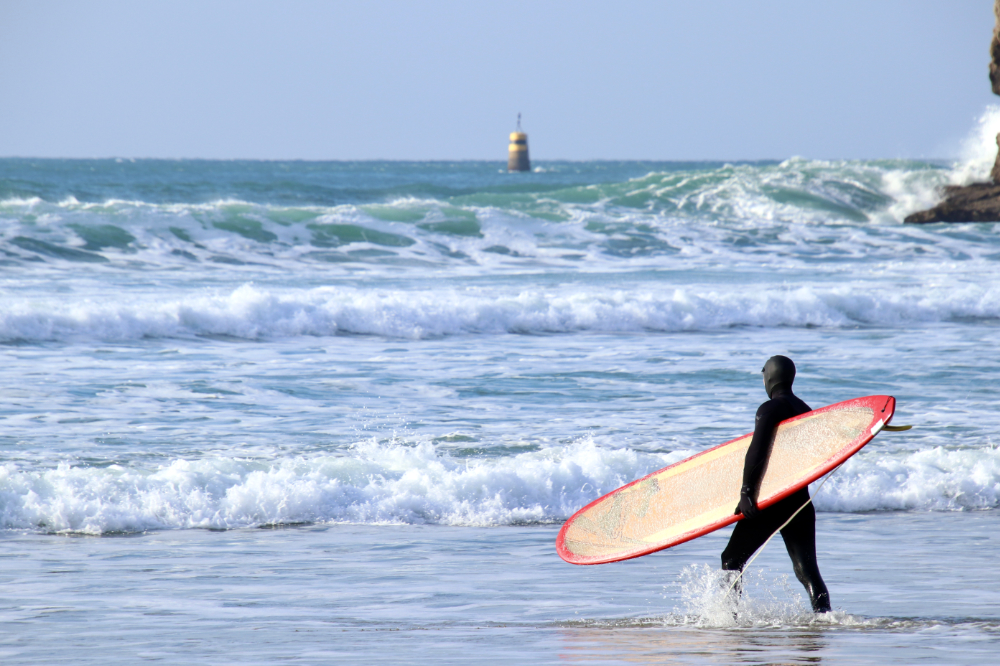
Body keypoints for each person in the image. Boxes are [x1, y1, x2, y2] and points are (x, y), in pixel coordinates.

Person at [721, 355, 832, 613]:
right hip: (799, 500)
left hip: (772, 499)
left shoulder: (769, 409)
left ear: (768, 377)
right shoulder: (806, 410)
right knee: (807, 572)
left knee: (731, 560)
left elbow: (757, 451)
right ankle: (825, 619)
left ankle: (729, 620)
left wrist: (747, 492)